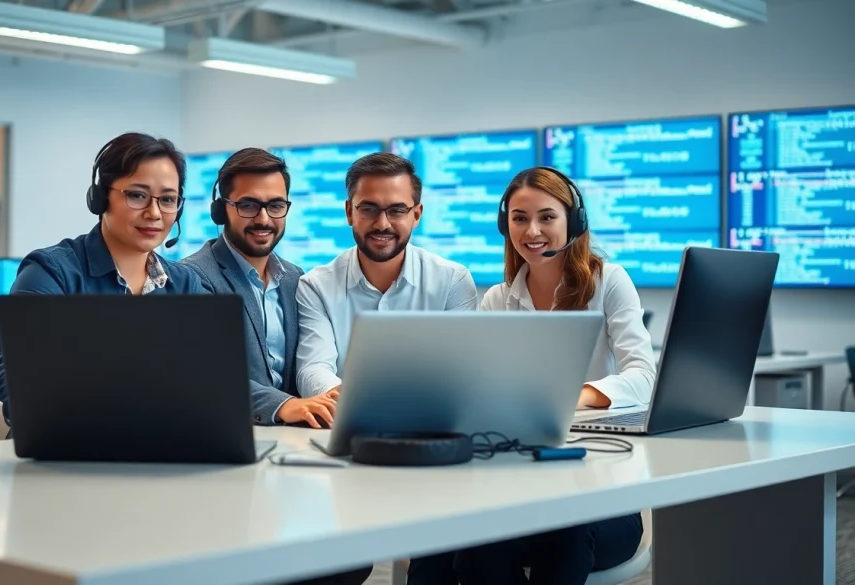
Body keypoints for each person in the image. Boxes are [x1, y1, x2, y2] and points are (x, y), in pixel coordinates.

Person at [413, 166, 654, 585]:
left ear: (573, 223)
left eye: (547, 217)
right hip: (518, 487)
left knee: (566, 527)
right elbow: (479, 392)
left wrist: (572, 395)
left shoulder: (608, 282)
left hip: (601, 495)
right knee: (466, 540)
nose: (532, 230)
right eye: (520, 218)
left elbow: (644, 376)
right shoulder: (498, 300)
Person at [0, 132, 206, 429]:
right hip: (68, 450)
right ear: (101, 197)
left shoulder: (184, 285)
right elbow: (16, 381)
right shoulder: (51, 272)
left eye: (168, 199)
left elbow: (203, 384)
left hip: (161, 448)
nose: (154, 213)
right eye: (137, 195)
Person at [295, 152, 478, 400]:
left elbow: (460, 373)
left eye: (397, 210)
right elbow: (313, 368)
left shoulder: (452, 281)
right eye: (369, 209)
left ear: (416, 215)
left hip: (429, 427)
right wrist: (356, 405)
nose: (382, 224)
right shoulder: (316, 286)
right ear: (349, 212)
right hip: (345, 426)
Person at [179, 148, 338, 428]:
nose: (264, 219)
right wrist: (284, 405)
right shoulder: (192, 277)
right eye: (248, 205)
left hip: (293, 438)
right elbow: (205, 374)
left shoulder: (294, 278)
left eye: (276, 206)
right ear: (220, 210)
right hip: (227, 431)